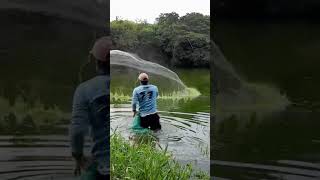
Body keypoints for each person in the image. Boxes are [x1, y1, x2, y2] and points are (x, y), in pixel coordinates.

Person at [69, 36, 110, 180]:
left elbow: (77, 130)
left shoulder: (85, 90)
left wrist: (78, 157)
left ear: (96, 61)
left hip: (103, 168)